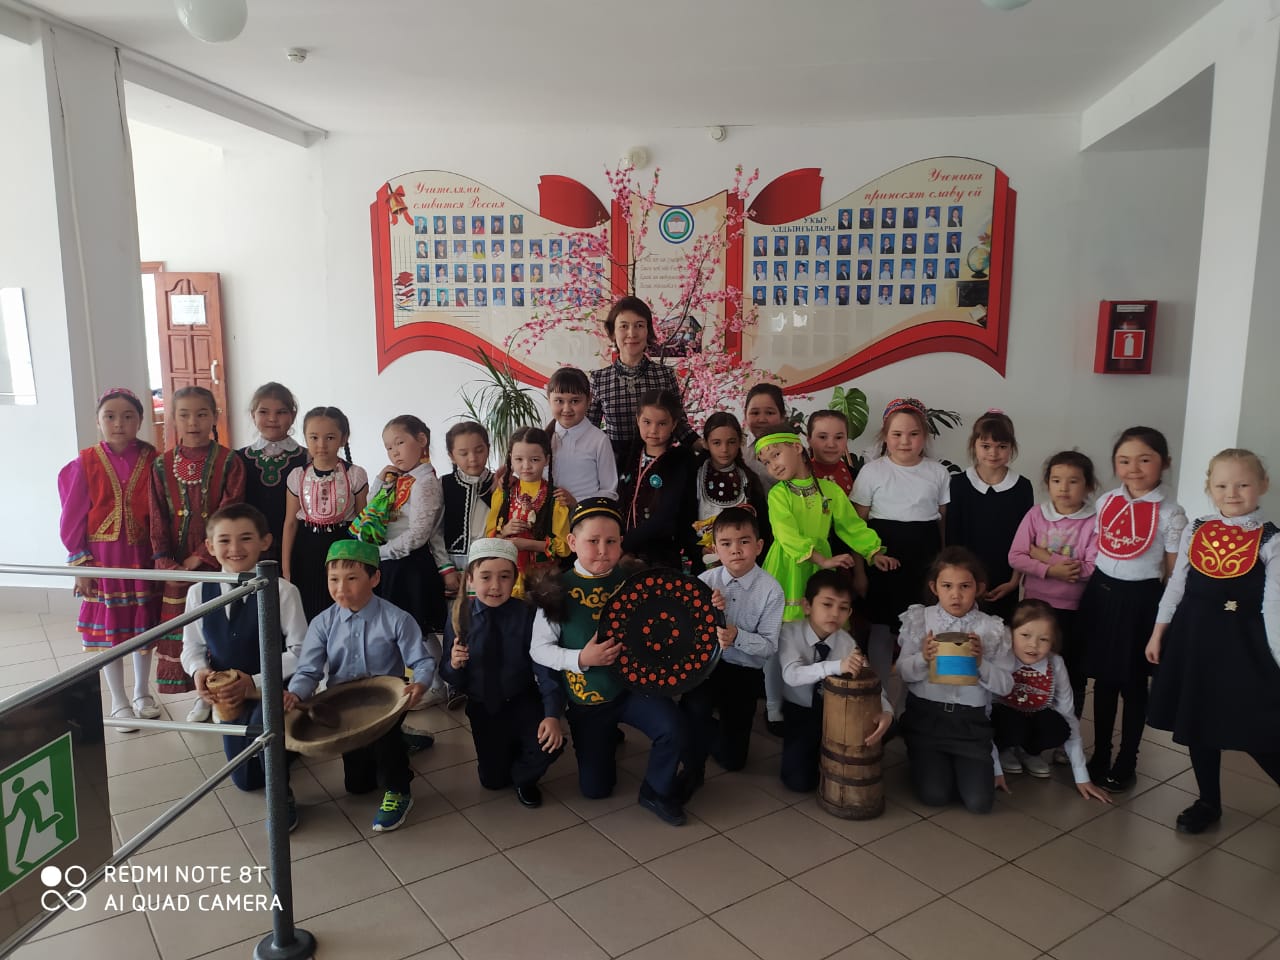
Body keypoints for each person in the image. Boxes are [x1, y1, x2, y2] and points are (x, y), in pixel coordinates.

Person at [528, 498, 687, 824]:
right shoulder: (556, 591)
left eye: (611, 541)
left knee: (672, 727)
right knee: (596, 789)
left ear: (621, 543)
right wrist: (581, 658)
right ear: (573, 542)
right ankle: (606, 737)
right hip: (589, 700)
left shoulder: (633, 579)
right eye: (593, 541)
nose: (603, 550)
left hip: (632, 688)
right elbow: (538, 649)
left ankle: (656, 790)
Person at [1146, 449, 1280, 833]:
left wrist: (1277, 659)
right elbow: (1177, 585)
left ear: (1263, 485)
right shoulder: (1197, 527)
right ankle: (1208, 801)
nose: (1231, 493)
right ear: (1209, 487)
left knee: (1256, 725)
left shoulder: (1271, 541)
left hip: (1243, 646)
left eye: (1243, 484)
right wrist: (1158, 632)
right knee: (1198, 719)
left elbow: (1273, 607)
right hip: (1194, 640)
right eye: (1221, 485)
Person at [284, 540, 435, 832]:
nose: (341, 588)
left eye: (352, 578)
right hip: (345, 703)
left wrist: (420, 684)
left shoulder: (397, 618)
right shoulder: (322, 623)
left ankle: (400, 789)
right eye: (334, 579)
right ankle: (406, 741)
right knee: (359, 786)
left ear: (375, 578)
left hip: (388, 701)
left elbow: (422, 661)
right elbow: (309, 670)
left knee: (386, 747)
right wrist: (296, 693)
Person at [181, 504, 308, 828]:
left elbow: (302, 652)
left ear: (265, 541)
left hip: (273, 690)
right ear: (210, 546)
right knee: (246, 780)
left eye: (246, 538)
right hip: (228, 699)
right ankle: (289, 746)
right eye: (224, 540)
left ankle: (282, 796)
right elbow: (192, 647)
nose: (235, 548)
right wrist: (199, 671)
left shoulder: (283, 591)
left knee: (264, 731)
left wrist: (254, 682)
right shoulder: (198, 592)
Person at [1077, 426, 1185, 793]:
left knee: (1134, 684)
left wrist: (1164, 621)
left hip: (1140, 602)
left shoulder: (1171, 513)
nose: (1133, 468)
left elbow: (1173, 572)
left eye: (1144, 460)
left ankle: (1128, 759)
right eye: (1124, 460)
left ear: (1164, 463)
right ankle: (1100, 753)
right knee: (1104, 681)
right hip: (1101, 596)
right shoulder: (1107, 501)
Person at [59, 387, 160, 729]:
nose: (119, 424)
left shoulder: (153, 459)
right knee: (110, 631)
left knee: (142, 626)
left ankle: (142, 692)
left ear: (140, 421)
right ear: (98, 421)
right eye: (110, 417)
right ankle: (118, 699)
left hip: (142, 557)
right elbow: (72, 515)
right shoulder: (85, 462)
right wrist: (80, 564)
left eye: (128, 416)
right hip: (102, 560)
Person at [440, 538, 565, 807]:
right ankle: (509, 752)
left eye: (504, 577)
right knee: (493, 781)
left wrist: (552, 714)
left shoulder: (528, 614)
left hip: (522, 699)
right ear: (470, 578)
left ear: (514, 579)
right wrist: (454, 664)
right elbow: (450, 676)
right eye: (486, 577)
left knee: (549, 744)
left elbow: (544, 668)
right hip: (484, 705)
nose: (495, 586)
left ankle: (524, 777)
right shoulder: (459, 615)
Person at [896, 548, 1014, 813]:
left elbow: (1006, 686)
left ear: (979, 588)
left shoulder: (991, 628)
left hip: (970, 725)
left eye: (965, 586)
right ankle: (925, 758)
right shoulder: (921, 619)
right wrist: (923, 658)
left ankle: (959, 764)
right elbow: (903, 672)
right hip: (928, 718)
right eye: (947, 586)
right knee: (934, 795)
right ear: (934, 587)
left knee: (980, 803)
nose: (956, 595)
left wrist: (981, 663)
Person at [150, 386, 245, 712]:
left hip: (217, 559)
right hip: (176, 564)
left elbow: (230, 510)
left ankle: (220, 690)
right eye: (184, 414)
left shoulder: (229, 461)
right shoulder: (161, 465)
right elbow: (157, 515)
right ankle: (200, 692)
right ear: (173, 418)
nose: (193, 422)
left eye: (202, 414)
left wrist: (202, 556)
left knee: (217, 627)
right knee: (188, 629)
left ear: (214, 417)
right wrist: (165, 560)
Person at [680, 508, 783, 797]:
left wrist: (737, 636)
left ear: (759, 546)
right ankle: (694, 728)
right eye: (726, 543)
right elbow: (686, 630)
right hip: (707, 667)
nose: (736, 550)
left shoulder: (771, 590)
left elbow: (769, 646)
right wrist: (707, 611)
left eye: (744, 541)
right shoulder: (706, 580)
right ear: (715, 549)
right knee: (693, 709)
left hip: (743, 671)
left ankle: (710, 730)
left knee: (733, 760)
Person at [851, 398, 951, 688]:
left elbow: (942, 523)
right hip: (882, 559)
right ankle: (878, 690)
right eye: (897, 434)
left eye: (913, 434)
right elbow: (857, 527)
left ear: (925, 436)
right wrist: (859, 571)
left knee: (919, 625)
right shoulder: (872, 472)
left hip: (924, 560)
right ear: (885, 436)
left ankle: (914, 693)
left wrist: (943, 567)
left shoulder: (938, 473)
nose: (905, 441)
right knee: (881, 626)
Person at [756, 431, 895, 625]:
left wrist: (874, 551)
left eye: (776, 455)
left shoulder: (830, 490)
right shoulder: (778, 494)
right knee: (788, 626)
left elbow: (851, 525)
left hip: (822, 564)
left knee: (822, 623)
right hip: (788, 563)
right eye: (766, 463)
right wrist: (822, 560)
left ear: (797, 447)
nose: (773, 466)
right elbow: (786, 534)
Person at [778, 570, 892, 792]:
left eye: (843, 608)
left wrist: (886, 710)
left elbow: (869, 680)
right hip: (800, 711)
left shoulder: (846, 641)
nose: (834, 614)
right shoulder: (790, 633)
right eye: (827, 604)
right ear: (807, 606)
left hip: (838, 711)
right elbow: (792, 675)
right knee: (799, 782)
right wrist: (836, 666)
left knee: (878, 733)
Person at [1007, 451, 1098, 721]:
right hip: (1035, 607)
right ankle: (1025, 724)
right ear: (1047, 483)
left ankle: (1067, 728)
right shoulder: (1036, 514)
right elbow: (1016, 556)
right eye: (1057, 480)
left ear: (1088, 486)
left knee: (1071, 670)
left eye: (1073, 481)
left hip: (1074, 610)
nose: (1064, 488)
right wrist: (1052, 570)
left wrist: (1046, 557)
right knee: (1029, 665)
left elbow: (1091, 568)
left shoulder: (1094, 520)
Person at [991, 600, 1111, 802]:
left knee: (1059, 726)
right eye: (1025, 635)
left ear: (1053, 641)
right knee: (1008, 722)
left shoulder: (1056, 664)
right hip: (1004, 721)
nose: (1033, 645)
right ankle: (1005, 750)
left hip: (1035, 716)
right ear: (1010, 634)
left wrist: (1082, 777)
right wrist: (994, 768)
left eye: (1044, 639)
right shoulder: (1000, 659)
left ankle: (1030, 752)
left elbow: (1069, 716)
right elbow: (983, 713)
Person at [945, 410, 1034, 623]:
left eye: (1001, 446)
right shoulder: (958, 484)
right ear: (974, 445)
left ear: (1011, 448)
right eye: (986, 446)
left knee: (1001, 632)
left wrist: (1014, 582)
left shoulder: (1022, 487)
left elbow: (1025, 539)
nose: (993, 453)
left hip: (1005, 581)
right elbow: (952, 538)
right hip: (964, 582)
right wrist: (963, 582)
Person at [282, 406, 369, 621]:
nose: (321, 445)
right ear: (305, 438)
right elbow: (290, 523)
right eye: (314, 437)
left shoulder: (355, 474)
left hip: (344, 546)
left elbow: (363, 522)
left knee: (343, 605)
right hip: (306, 549)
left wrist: (365, 563)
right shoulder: (297, 476)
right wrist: (286, 566)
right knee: (309, 608)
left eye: (330, 437)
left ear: (343, 438)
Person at [587, 297, 698, 463]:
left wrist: (704, 445)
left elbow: (679, 423)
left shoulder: (665, 375)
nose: (632, 333)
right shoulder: (599, 379)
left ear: (648, 331)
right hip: (615, 466)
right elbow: (589, 430)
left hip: (658, 464)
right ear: (613, 332)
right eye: (624, 326)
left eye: (639, 325)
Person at [484, 426, 571, 595]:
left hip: (543, 580)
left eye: (535, 460)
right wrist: (505, 531)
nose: (526, 466)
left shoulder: (555, 498)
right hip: (506, 577)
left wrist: (528, 544)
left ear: (547, 459)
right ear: (510, 459)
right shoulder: (503, 493)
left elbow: (565, 547)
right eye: (519, 459)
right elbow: (489, 538)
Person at [617, 390, 697, 570]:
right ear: (637, 419)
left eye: (662, 423)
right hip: (622, 549)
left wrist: (625, 544)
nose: (653, 430)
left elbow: (666, 513)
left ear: (674, 424)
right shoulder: (628, 455)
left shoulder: (680, 461)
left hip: (661, 554)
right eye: (647, 422)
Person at [237, 383, 308, 564]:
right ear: (253, 415)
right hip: (251, 547)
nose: (272, 419)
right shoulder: (238, 459)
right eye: (263, 412)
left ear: (293, 416)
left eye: (281, 412)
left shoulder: (308, 458)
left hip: (299, 544)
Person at [693, 413, 768, 565]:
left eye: (731, 442)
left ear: (740, 441)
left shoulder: (750, 480)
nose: (724, 449)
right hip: (703, 562)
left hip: (742, 561)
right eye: (717, 443)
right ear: (705, 443)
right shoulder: (693, 477)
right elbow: (683, 522)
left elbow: (762, 527)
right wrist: (698, 550)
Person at [546, 366, 617, 510]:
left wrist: (577, 503)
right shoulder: (543, 438)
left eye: (575, 401)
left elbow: (609, 491)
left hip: (585, 518)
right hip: (546, 518)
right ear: (549, 399)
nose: (567, 409)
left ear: (589, 399)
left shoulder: (599, 441)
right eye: (559, 401)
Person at [440, 421, 496, 574]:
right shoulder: (444, 484)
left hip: (492, 559)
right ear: (452, 456)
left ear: (488, 449)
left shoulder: (501, 483)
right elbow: (435, 532)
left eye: (479, 450)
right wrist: (445, 567)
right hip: (454, 562)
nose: (473, 458)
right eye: (463, 454)